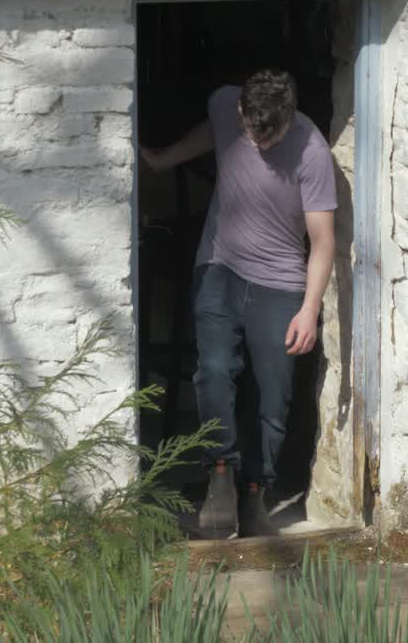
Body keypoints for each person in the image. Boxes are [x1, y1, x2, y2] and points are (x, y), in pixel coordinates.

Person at [140, 69, 336, 538]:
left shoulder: (312, 152)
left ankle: (256, 493)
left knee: (274, 393)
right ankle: (221, 474)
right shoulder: (225, 103)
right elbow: (215, 134)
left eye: (273, 135)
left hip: (280, 282)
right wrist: (164, 159)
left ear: (290, 117)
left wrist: (309, 309)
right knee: (212, 371)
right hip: (218, 267)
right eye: (253, 132)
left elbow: (323, 241)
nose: (262, 143)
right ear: (242, 111)